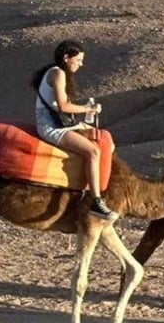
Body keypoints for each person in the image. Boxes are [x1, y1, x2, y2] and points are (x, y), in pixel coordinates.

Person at [33, 39, 116, 220]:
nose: (81, 64)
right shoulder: (58, 73)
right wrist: (88, 109)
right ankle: (95, 200)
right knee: (93, 151)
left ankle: (92, 183)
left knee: (101, 138)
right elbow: (63, 106)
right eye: (77, 60)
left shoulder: (57, 72)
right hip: (51, 126)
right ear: (66, 58)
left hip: (59, 122)